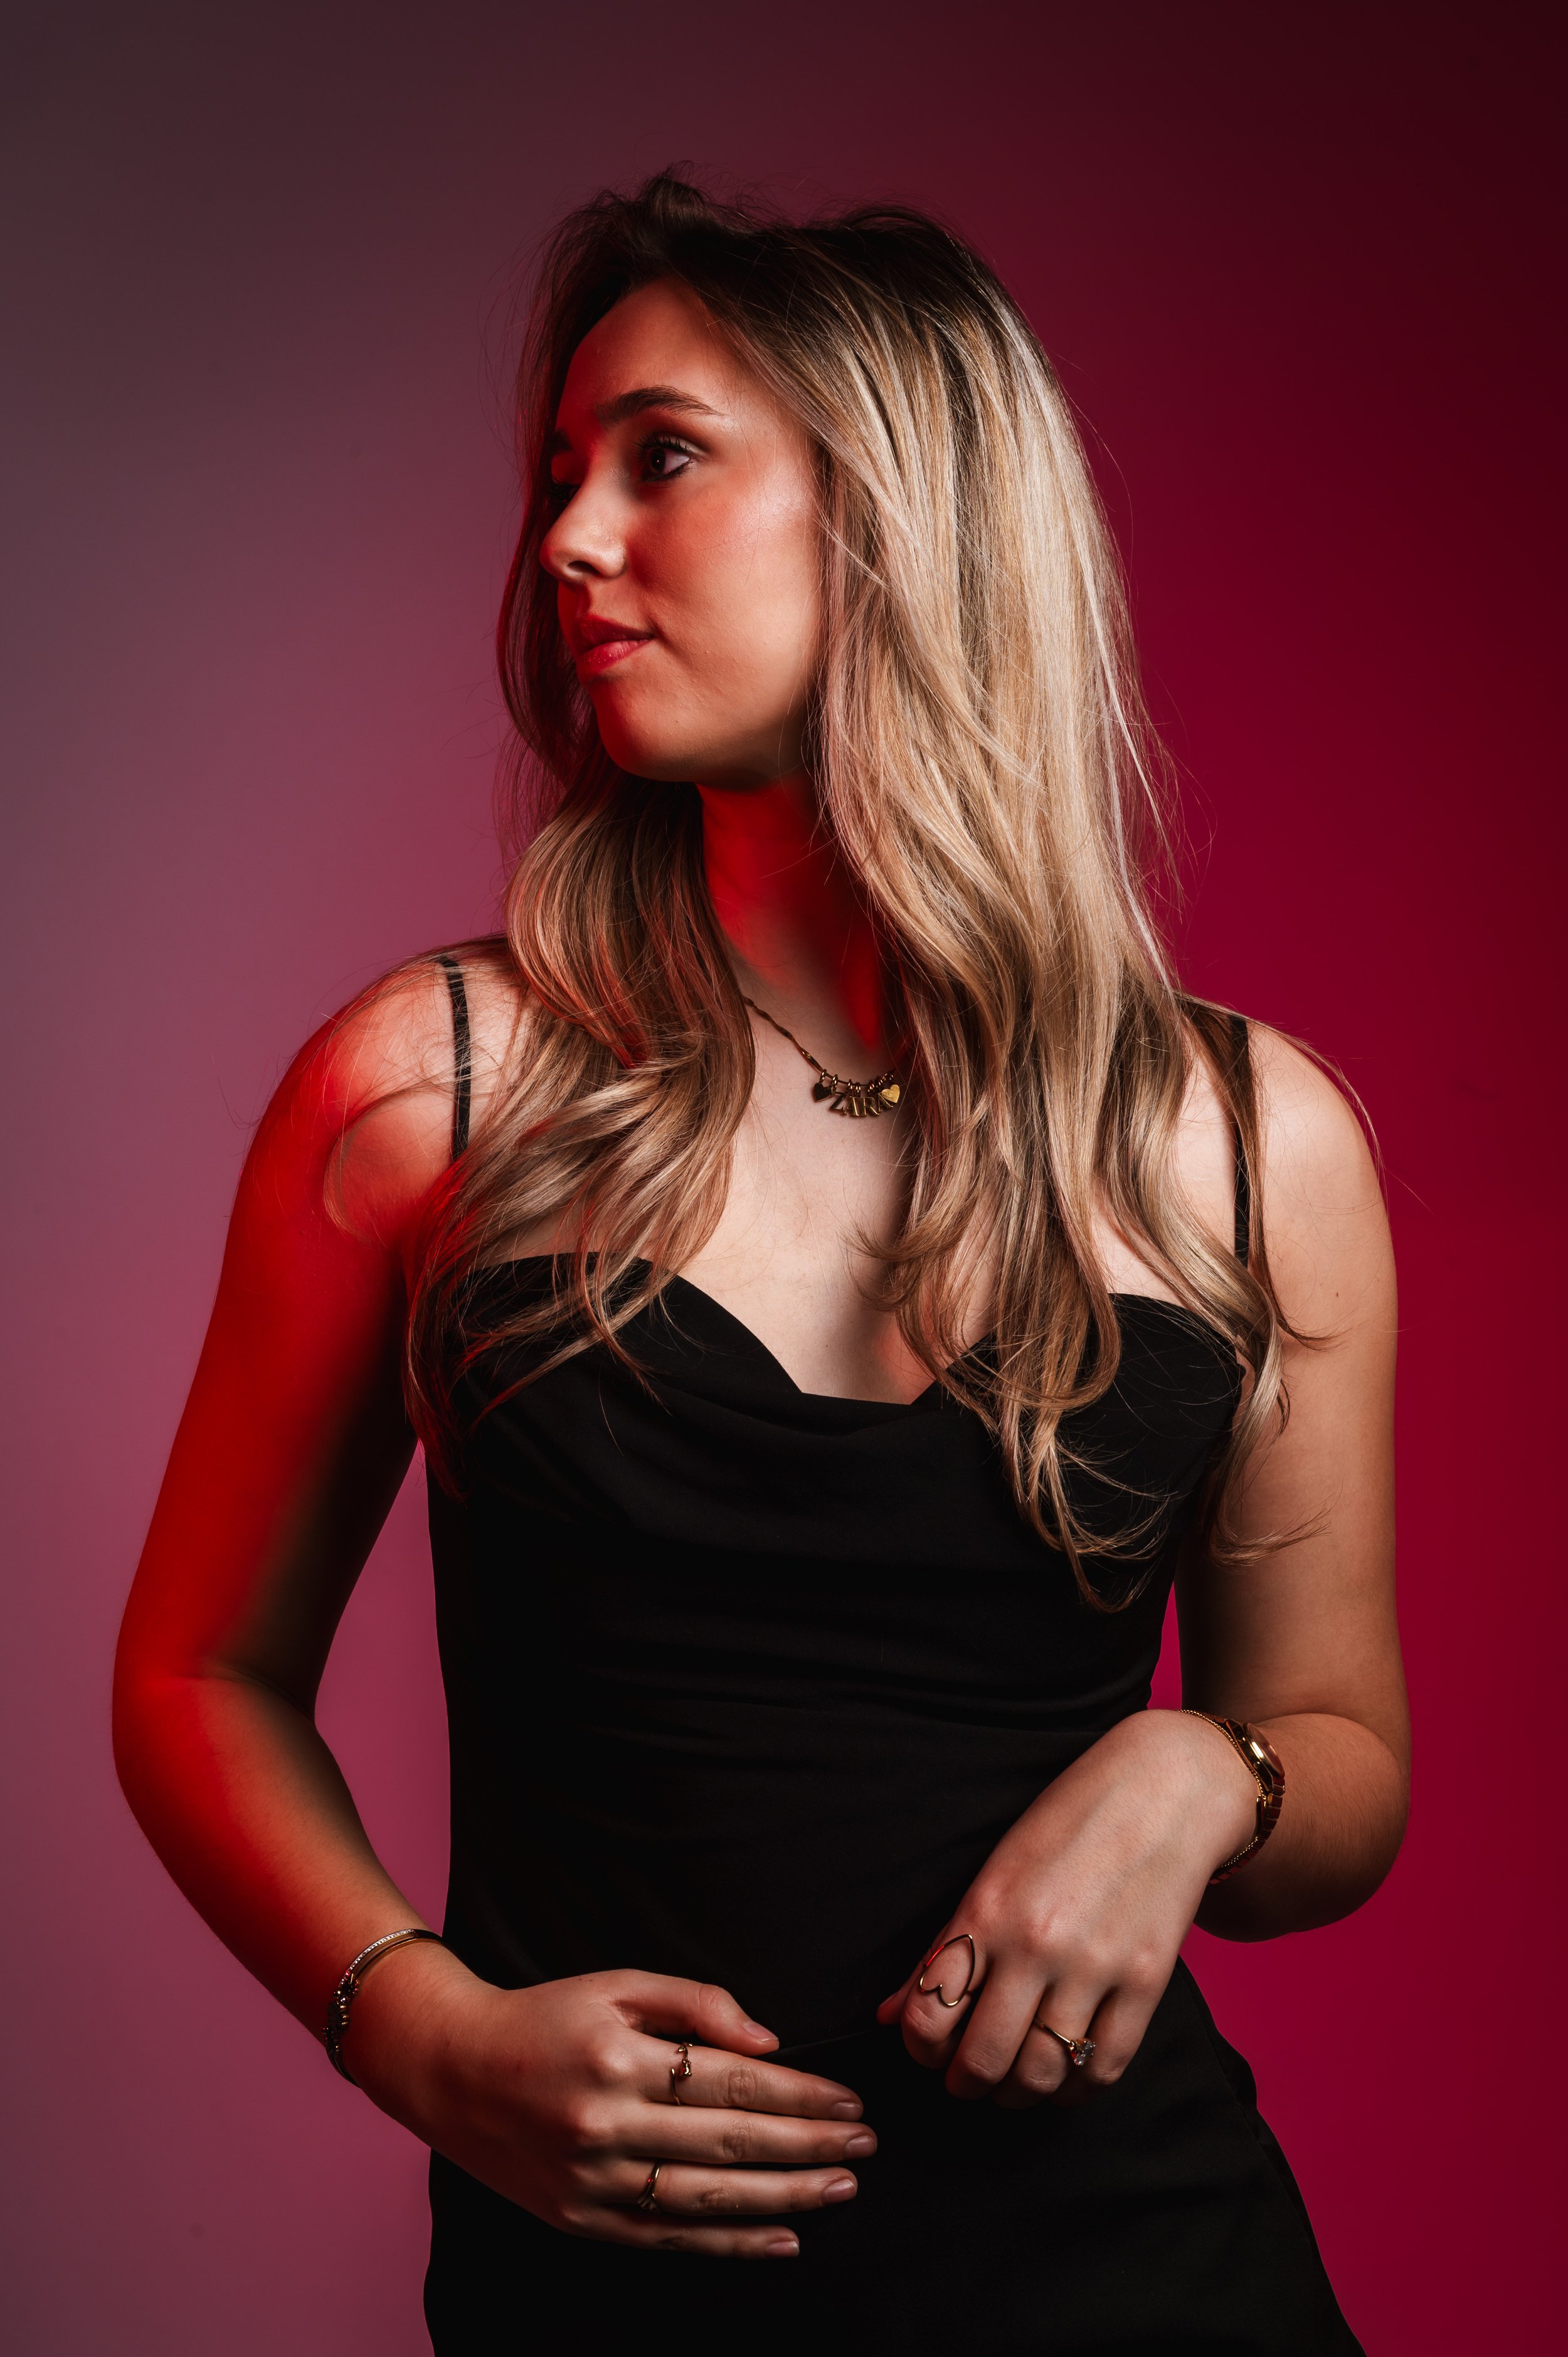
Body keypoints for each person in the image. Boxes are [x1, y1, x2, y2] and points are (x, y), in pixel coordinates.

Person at [114, 173, 1406, 2353]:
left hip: (1152, 2284)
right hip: (609, 2314)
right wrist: (417, 2034)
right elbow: (193, 1682)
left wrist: (1208, 1773)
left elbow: (1337, 1757)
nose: (566, 545)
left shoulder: (1243, 1144)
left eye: (663, 458)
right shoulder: (429, 1091)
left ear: (899, 515)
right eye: (558, 480)